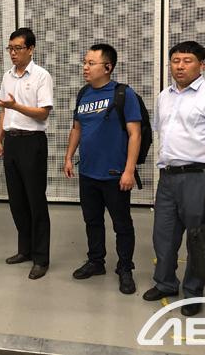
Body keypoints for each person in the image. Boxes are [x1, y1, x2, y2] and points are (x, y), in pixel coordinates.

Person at [143, 41, 205, 316]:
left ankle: (193, 292)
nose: (180, 66)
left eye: (187, 61)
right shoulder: (164, 96)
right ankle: (166, 283)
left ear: (201, 65)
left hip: (199, 177)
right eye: (175, 61)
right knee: (163, 236)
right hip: (168, 177)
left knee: (197, 238)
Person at [63, 44, 141, 294]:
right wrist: (68, 157)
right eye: (84, 62)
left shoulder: (123, 94)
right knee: (92, 220)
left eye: (91, 63)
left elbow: (135, 134)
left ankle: (125, 268)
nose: (85, 67)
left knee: (122, 224)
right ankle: (96, 261)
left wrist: (129, 170)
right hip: (88, 172)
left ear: (108, 67)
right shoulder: (83, 94)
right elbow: (77, 128)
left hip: (115, 174)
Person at [0, 27, 53, 280]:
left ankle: (41, 258)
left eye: (18, 48)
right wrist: (0, 138)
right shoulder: (7, 76)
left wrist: (16, 106)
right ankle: (25, 249)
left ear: (31, 49)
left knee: (35, 200)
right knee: (17, 200)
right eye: (10, 48)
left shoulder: (41, 76)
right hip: (12, 142)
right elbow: (3, 110)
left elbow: (43, 112)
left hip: (32, 142)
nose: (13, 53)